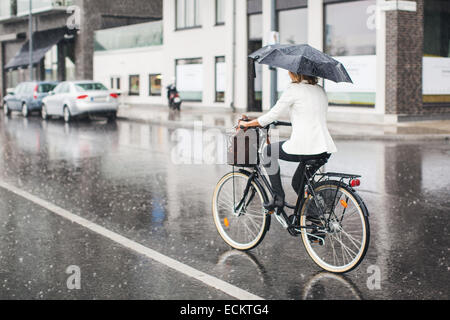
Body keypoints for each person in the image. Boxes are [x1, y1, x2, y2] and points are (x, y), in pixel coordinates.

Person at [238, 71, 337, 210]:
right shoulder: (320, 90)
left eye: (289, 71)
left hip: (305, 146)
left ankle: (278, 198)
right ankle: (315, 220)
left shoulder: (294, 89)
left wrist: (248, 124)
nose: (288, 73)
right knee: (298, 183)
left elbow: (272, 114)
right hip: (324, 148)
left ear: (295, 72)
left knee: (268, 152)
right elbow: (309, 115)